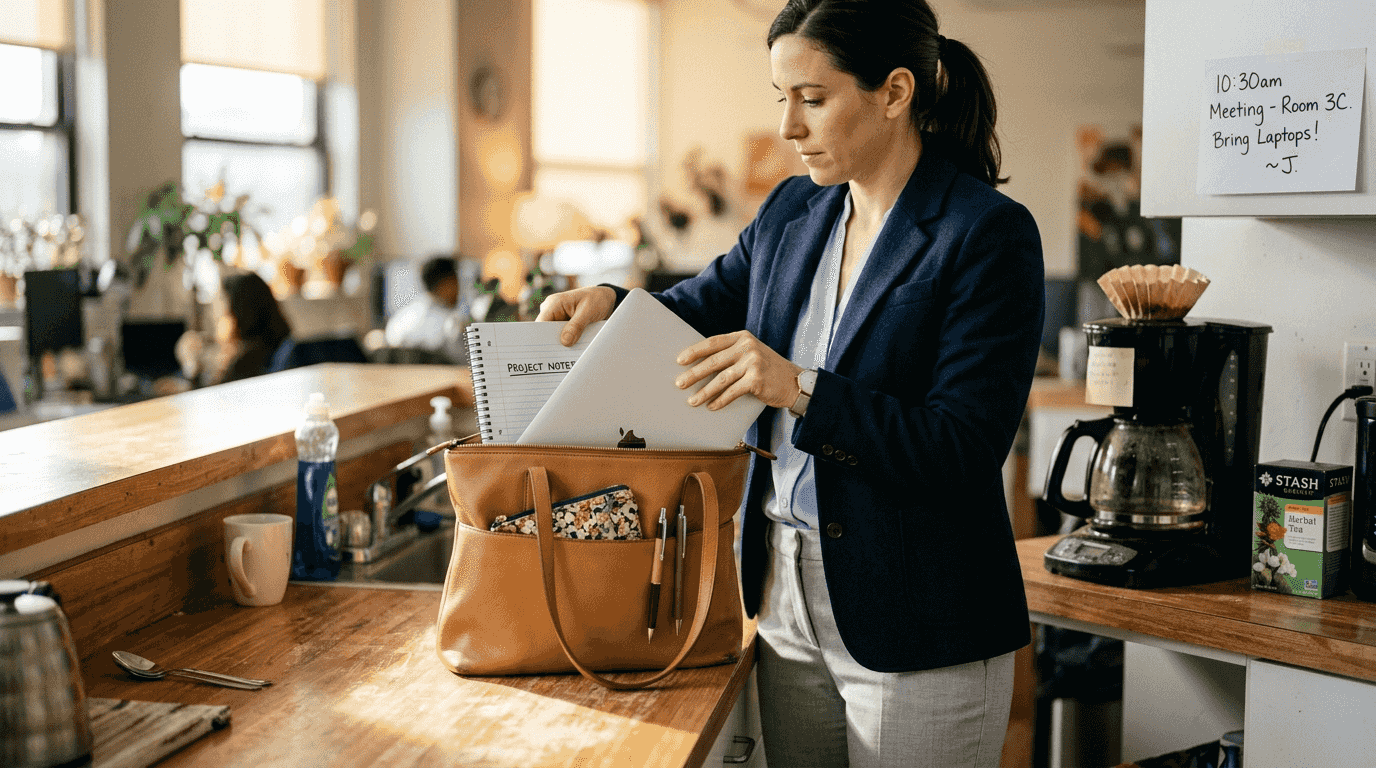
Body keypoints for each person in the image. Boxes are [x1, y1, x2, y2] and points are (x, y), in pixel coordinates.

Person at [537, 1, 1044, 766]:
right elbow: (696, 308)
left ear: (894, 92)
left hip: (920, 614)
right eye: (782, 97)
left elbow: (961, 447)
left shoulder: (987, 233)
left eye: (812, 98)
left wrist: (798, 386)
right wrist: (609, 302)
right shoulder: (792, 211)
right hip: (783, 596)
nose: (788, 126)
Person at [212, 270, 293, 384]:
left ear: (238, 314)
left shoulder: (244, 362)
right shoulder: (281, 345)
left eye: (226, 313)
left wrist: (191, 368)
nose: (221, 318)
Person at [384, 255, 466, 362]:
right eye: (457, 281)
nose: (460, 288)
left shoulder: (404, 315)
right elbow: (464, 361)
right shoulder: (450, 322)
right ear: (447, 284)